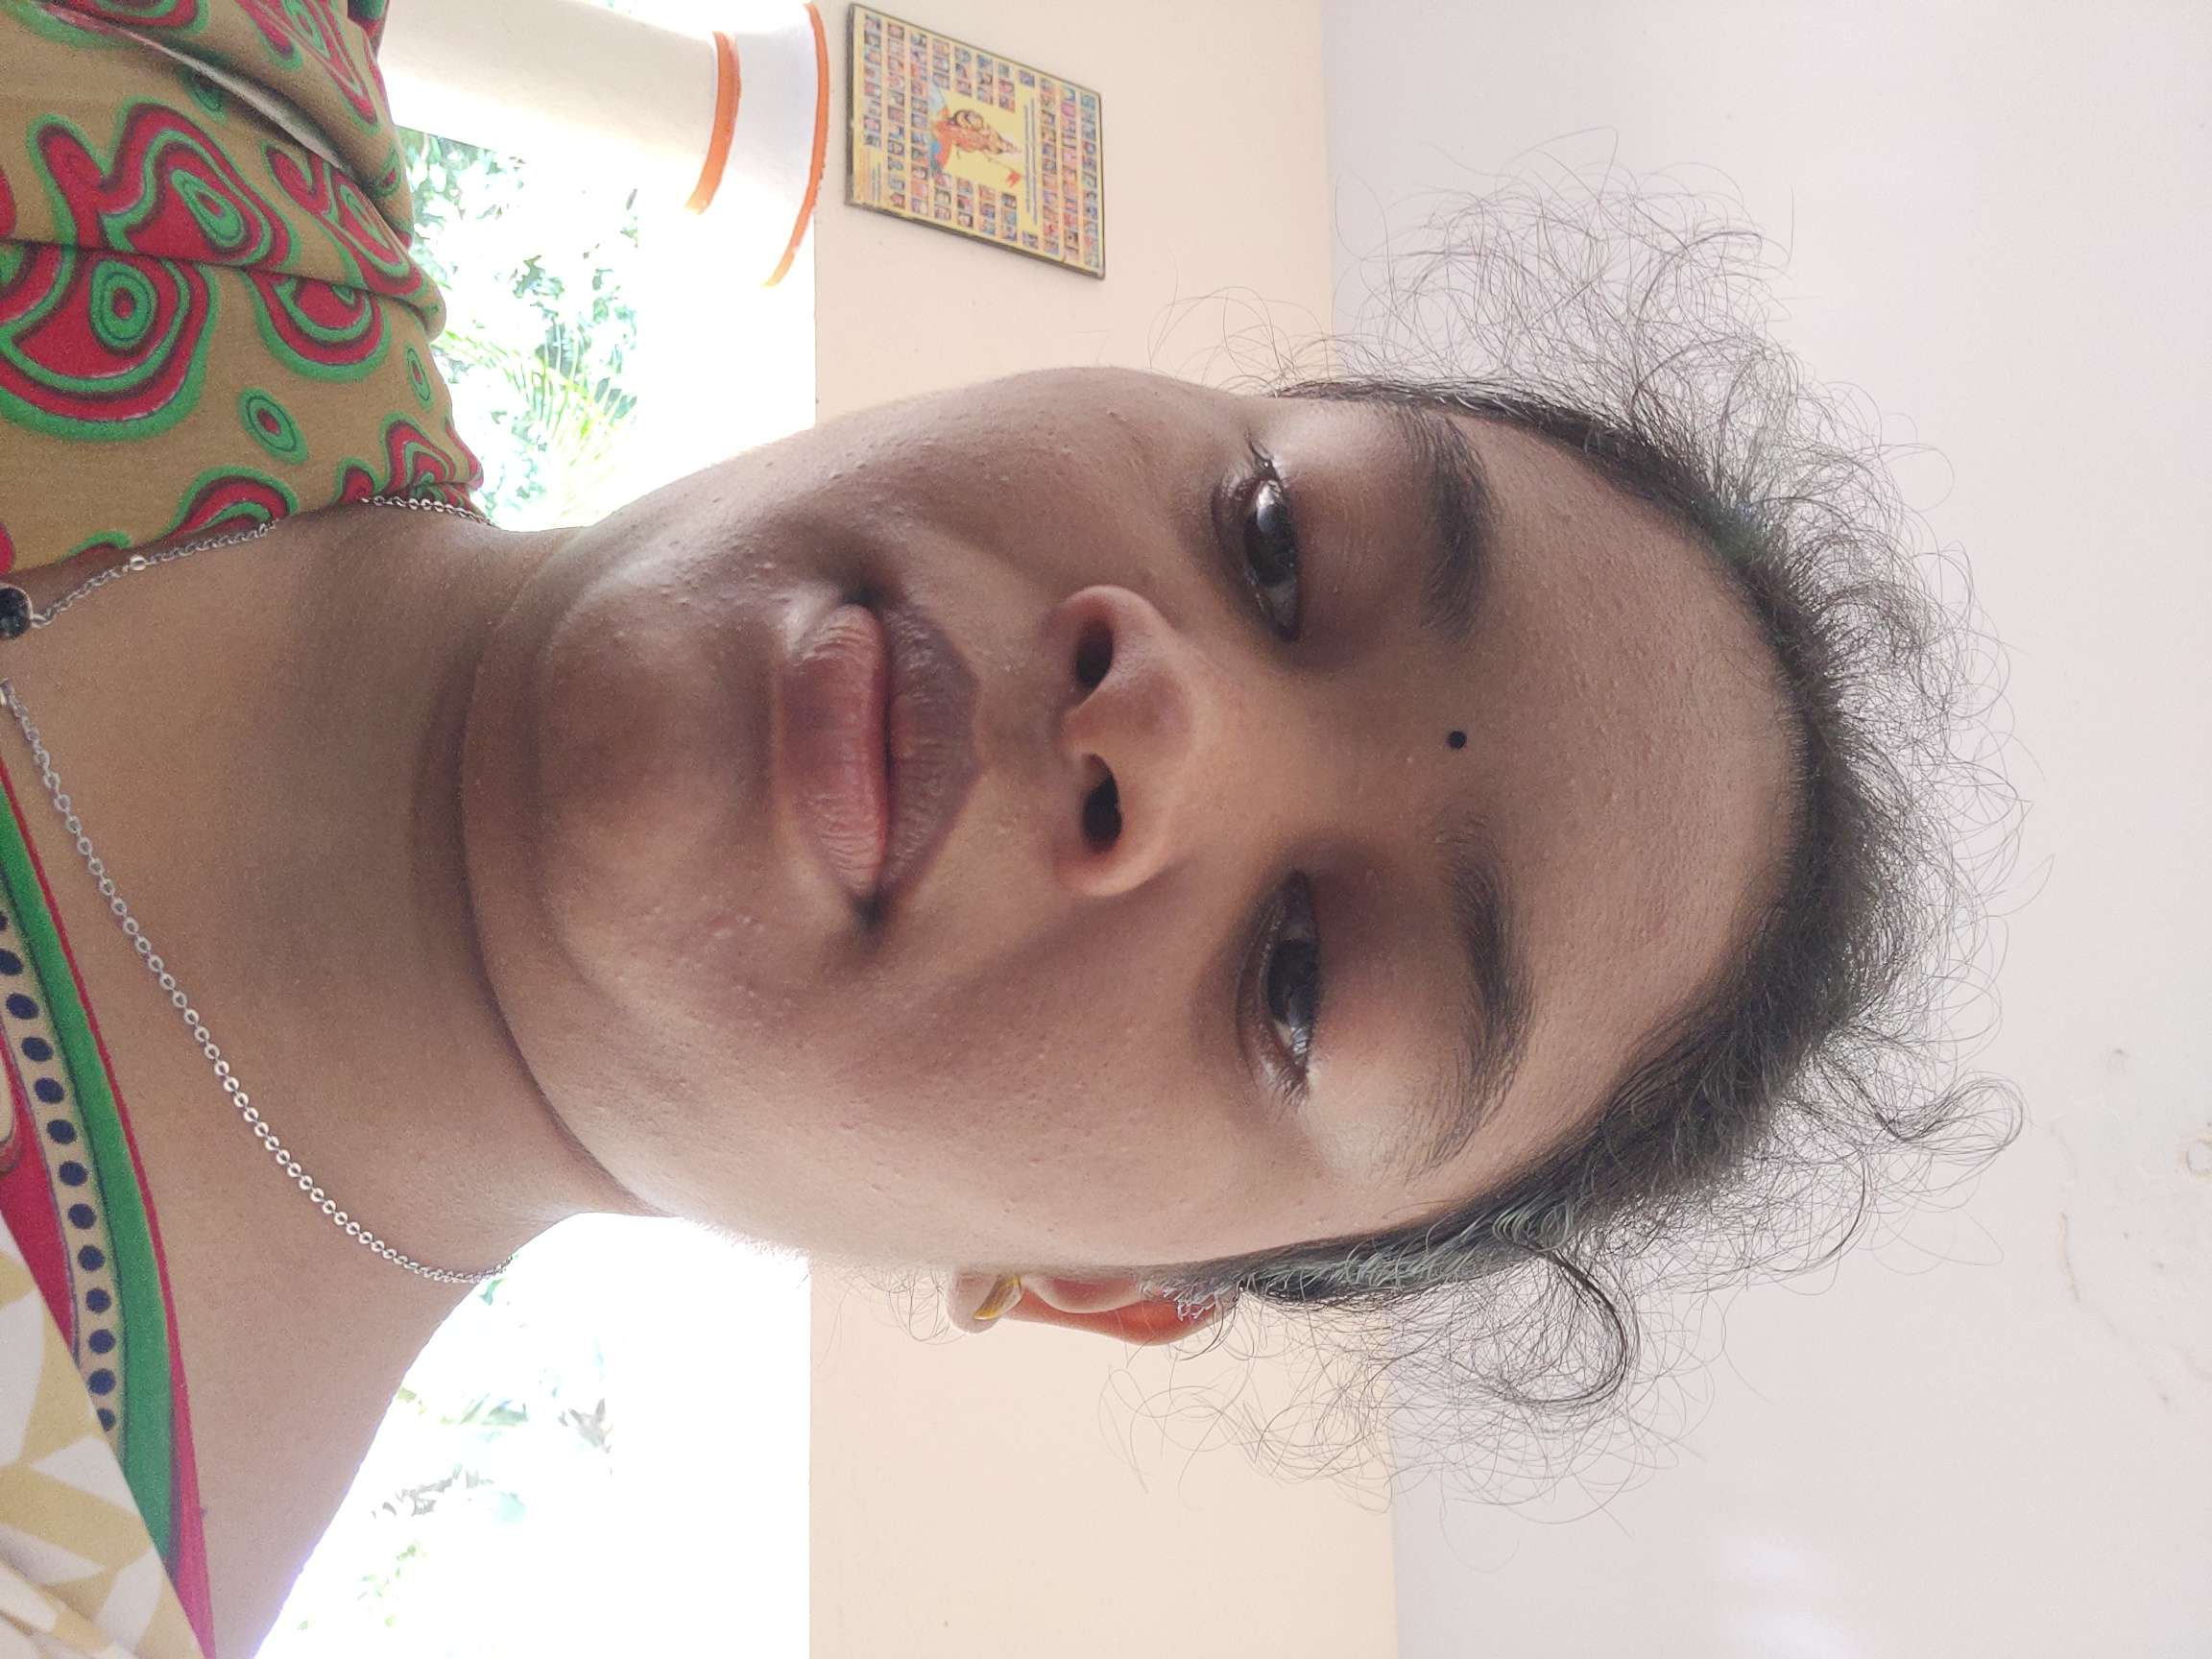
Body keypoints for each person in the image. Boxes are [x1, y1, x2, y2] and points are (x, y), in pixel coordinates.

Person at [0, 1, 2012, 1655]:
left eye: (1302, 983)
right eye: (1275, 541)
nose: (1173, 719)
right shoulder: (207, 58)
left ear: (1101, 1283)